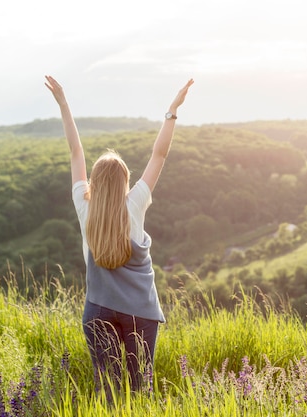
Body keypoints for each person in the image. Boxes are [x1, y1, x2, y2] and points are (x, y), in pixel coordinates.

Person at [45, 75, 194, 397]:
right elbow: (159, 155)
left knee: (109, 391)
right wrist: (172, 111)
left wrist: (63, 104)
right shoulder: (135, 204)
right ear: (125, 181)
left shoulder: (84, 207)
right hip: (140, 310)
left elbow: (75, 152)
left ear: (94, 183)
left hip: (97, 309)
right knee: (141, 389)